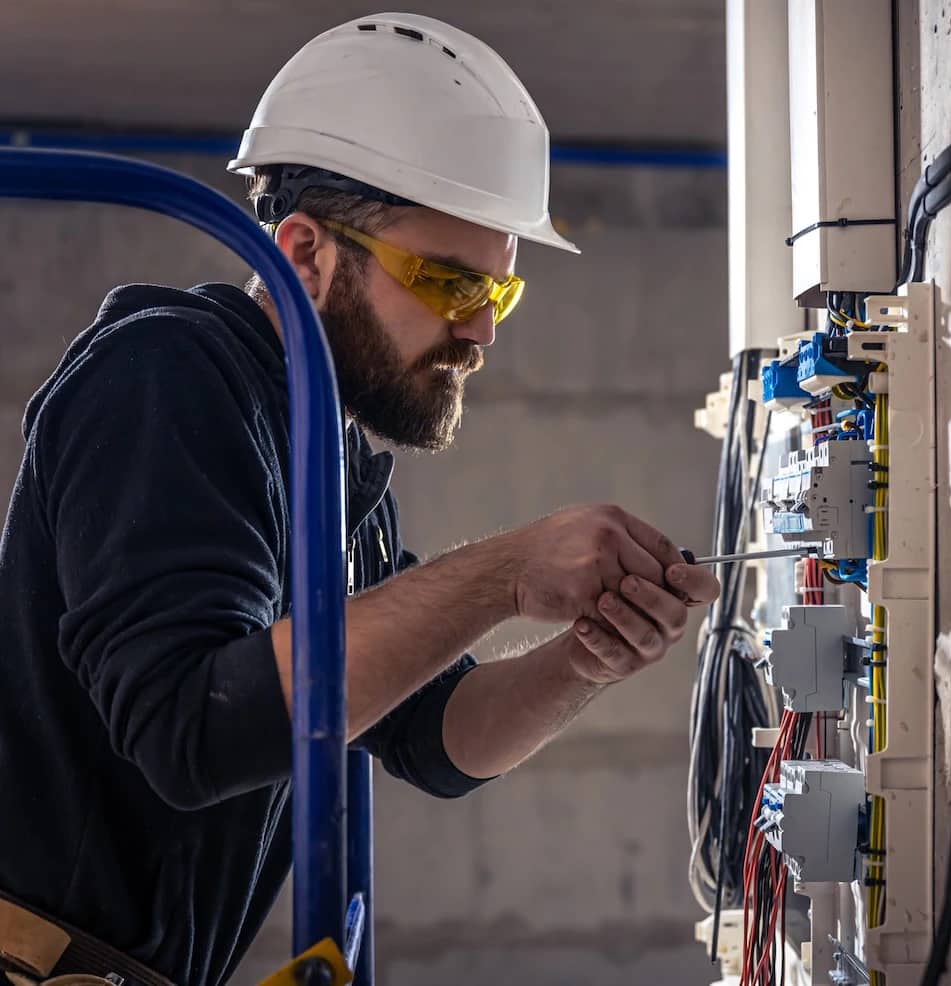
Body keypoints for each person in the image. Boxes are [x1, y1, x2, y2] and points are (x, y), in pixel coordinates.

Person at [0, 13, 719, 986]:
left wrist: (586, 653)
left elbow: (434, 735)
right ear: (303, 253)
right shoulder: (165, 380)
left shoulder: (326, 451)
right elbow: (195, 726)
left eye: (497, 295)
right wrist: (508, 569)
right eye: (449, 281)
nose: (479, 331)